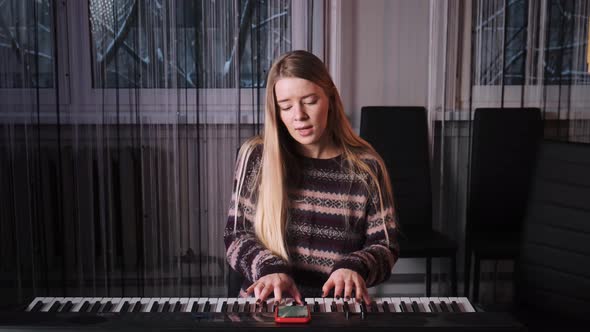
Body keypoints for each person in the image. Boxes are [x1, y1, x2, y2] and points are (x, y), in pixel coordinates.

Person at [224, 50, 399, 306]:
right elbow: (236, 234)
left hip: (337, 312)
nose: (299, 115)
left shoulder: (367, 167)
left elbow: (385, 245)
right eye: (286, 106)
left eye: (309, 101)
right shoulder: (256, 157)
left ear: (330, 97)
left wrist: (355, 266)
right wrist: (269, 269)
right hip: (268, 308)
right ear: (277, 111)